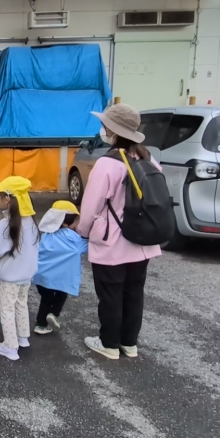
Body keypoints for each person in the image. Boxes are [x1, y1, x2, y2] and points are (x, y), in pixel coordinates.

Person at [78, 103, 162, 360]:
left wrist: (83, 230)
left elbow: (91, 205)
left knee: (111, 294)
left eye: (105, 125)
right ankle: (129, 343)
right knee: (134, 292)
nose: (102, 129)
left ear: (113, 131)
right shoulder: (149, 159)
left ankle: (110, 344)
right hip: (143, 240)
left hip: (112, 241)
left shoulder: (107, 163)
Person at [0, 176, 40, 361]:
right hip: (26, 275)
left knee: (6, 309)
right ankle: (23, 338)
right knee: (21, 305)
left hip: (10, 277)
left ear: (7, 199)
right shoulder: (30, 222)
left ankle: (10, 346)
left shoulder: (7, 225)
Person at [33, 201, 88, 335]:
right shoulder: (74, 239)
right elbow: (87, 245)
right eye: (77, 221)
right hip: (61, 278)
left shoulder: (46, 235)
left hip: (41, 276)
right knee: (62, 294)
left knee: (46, 299)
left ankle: (41, 324)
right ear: (65, 224)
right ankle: (53, 313)